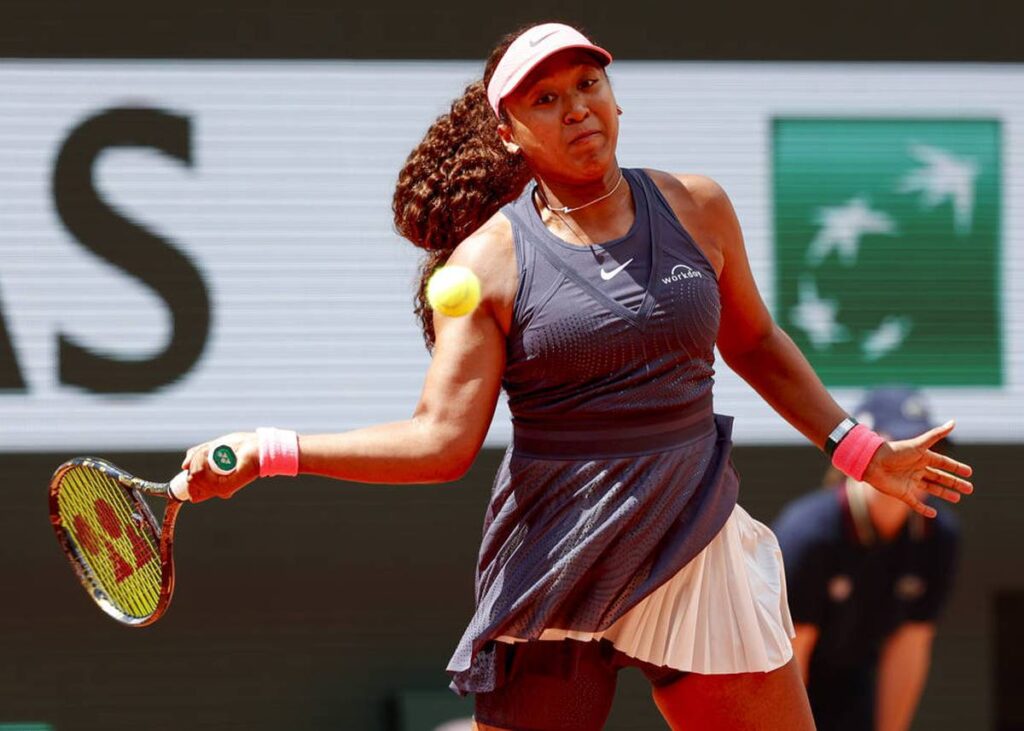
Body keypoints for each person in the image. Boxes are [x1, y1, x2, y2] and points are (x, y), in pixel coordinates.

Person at [179, 23, 974, 730]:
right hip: (559, 550)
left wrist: (859, 451)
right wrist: (271, 449)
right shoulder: (486, 264)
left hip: (692, 531)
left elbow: (757, 342)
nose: (577, 108)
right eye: (546, 98)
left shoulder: (698, 206)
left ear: (615, 96)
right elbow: (441, 440)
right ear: (509, 132)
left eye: (588, 83)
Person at [773, 387, 961, 731]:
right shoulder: (809, 534)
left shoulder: (939, 535)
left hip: (855, 687)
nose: (918, 461)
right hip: (781, 690)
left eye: (931, 450)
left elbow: (909, 646)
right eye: (903, 448)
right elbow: (789, 660)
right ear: (863, 455)